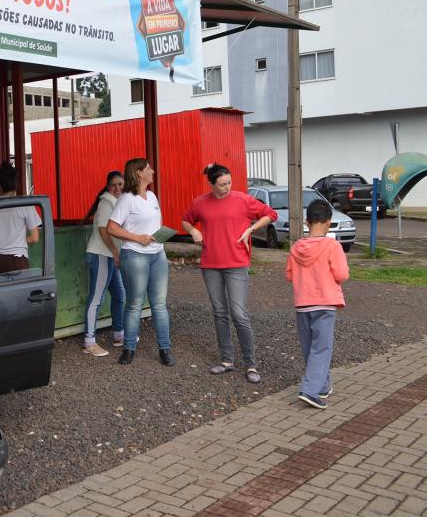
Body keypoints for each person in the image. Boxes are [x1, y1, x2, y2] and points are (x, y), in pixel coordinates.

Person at [181, 163, 277, 383]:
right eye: (222, 184)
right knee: (219, 312)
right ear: (212, 184)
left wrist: (251, 229)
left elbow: (270, 214)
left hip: (236, 263)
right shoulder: (201, 202)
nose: (227, 187)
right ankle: (227, 360)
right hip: (211, 264)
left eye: (229, 183)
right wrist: (194, 230)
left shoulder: (243, 200)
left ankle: (251, 364)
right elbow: (186, 220)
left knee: (239, 314)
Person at [106, 158, 174, 366]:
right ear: (138, 174)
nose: (152, 171)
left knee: (159, 305)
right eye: (148, 169)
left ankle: (165, 349)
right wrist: (138, 237)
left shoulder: (152, 196)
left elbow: (153, 223)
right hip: (135, 255)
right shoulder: (127, 199)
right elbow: (111, 227)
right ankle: (129, 349)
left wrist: (159, 235)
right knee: (135, 304)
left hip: (157, 255)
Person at [286, 199, 349, 410]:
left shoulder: (296, 247)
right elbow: (341, 274)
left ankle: (322, 385)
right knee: (321, 349)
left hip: (302, 304)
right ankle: (310, 391)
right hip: (324, 303)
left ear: (307, 222)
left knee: (310, 348)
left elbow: (289, 275)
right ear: (329, 223)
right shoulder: (333, 246)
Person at [82, 171, 126, 357]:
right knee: (96, 298)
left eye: (120, 184)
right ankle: (89, 342)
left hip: (109, 256)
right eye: (114, 185)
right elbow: (102, 230)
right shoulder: (107, 202)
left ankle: (119, 334)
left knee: (119, 294)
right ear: (108, 187)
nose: (117, 188)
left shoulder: (118, 203)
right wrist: (115, 252)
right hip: (101, 255)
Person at [0, 161, 41, 275]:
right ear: (16, 184)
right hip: (17, 261)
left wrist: (0, 241)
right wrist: (14, 241)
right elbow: (34, 238)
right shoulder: (25, 205)